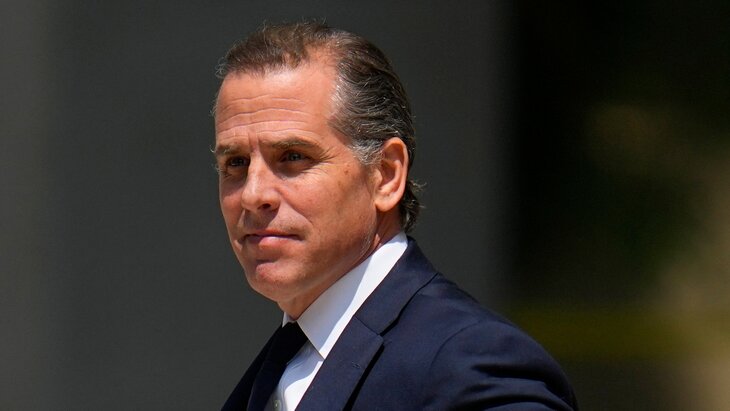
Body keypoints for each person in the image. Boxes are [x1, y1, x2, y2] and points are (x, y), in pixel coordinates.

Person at [213, 21, 577, 410]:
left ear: (386, 175)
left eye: (293, 157)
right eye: (236, 163)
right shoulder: (282, 365)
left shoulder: (469, 364)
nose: (253, 194)